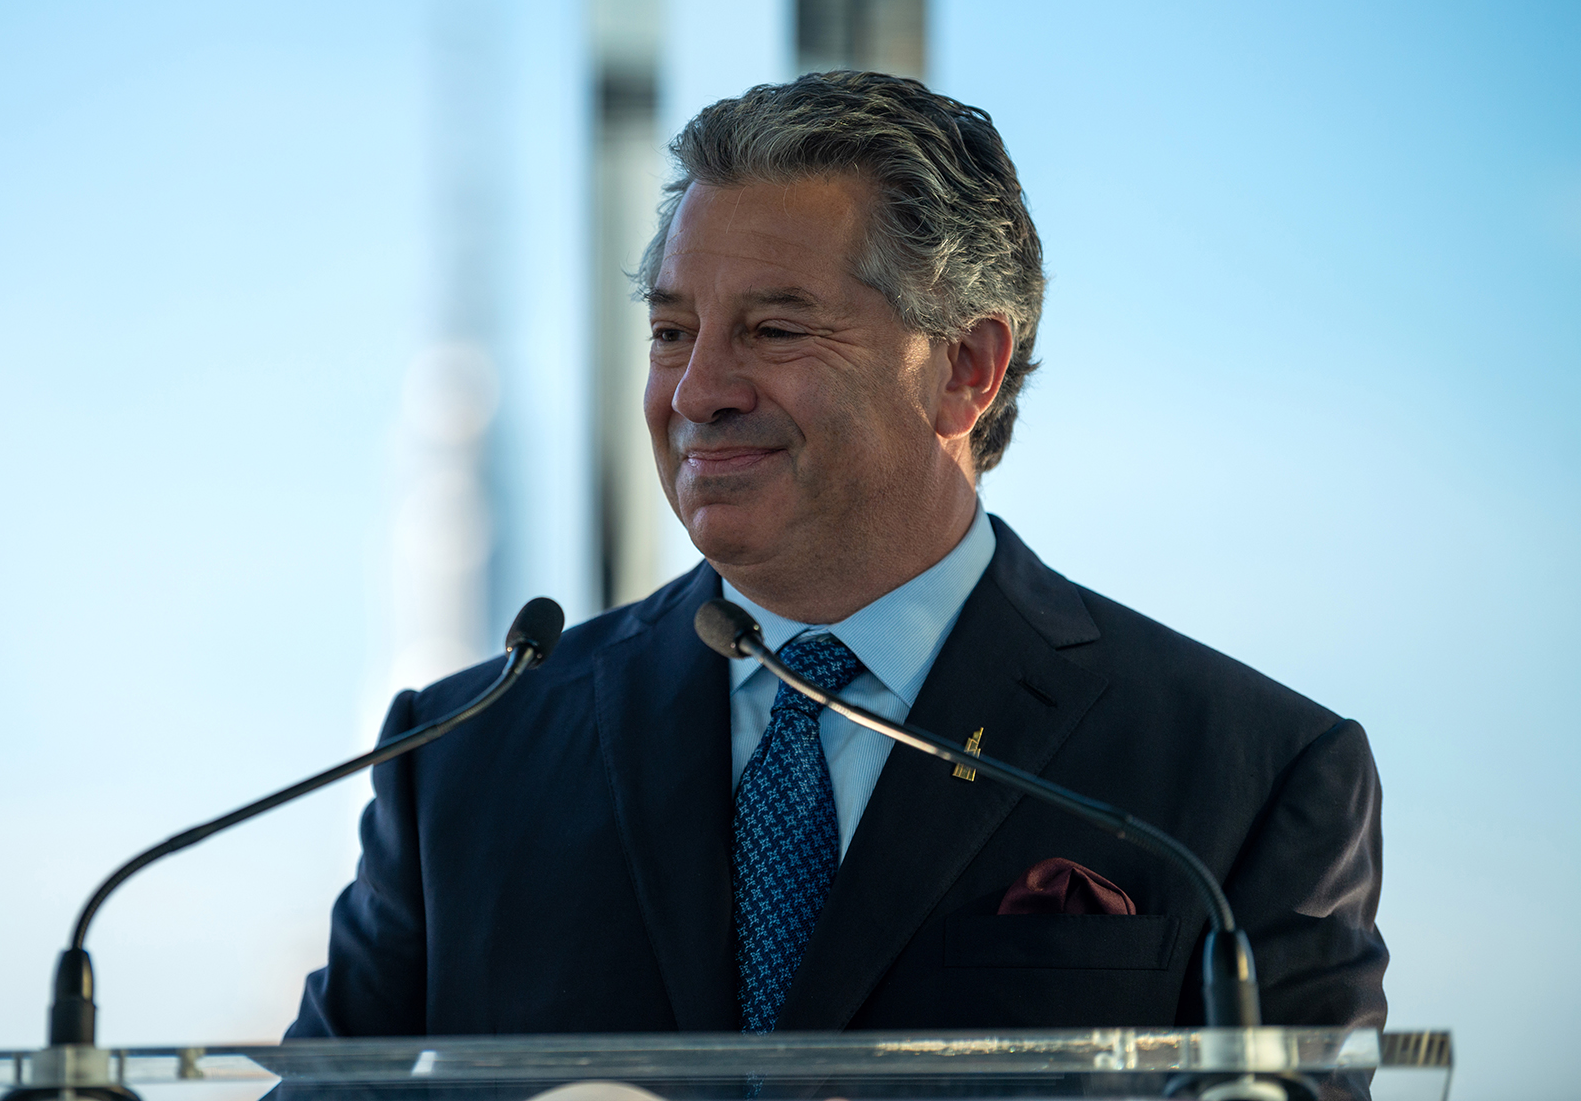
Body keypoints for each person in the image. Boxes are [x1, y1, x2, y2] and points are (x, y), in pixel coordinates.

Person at [287, 71, 1386, 1038]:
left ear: (963, 368)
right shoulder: (460, 763)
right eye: (672, 332)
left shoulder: (1247, 774)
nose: (696, 393)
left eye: (773, 330)